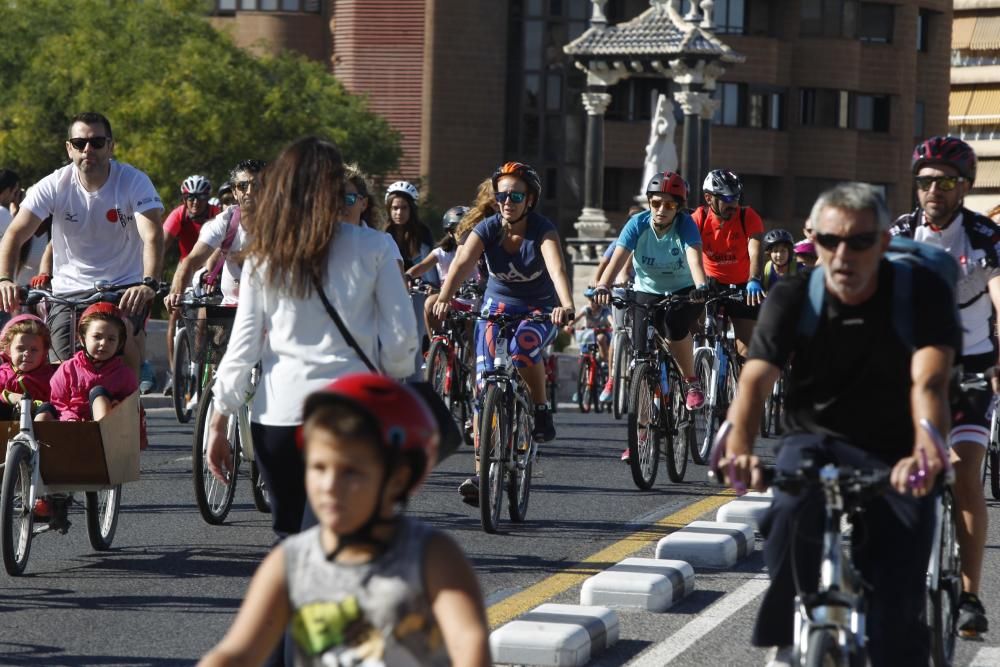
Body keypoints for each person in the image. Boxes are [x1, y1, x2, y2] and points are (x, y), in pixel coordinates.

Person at [718, 182, 957, 667]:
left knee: (896, 607)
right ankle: (793, 633)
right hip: (815, 438)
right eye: (830, 242)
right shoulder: (792, 294)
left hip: (898, 446)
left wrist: (926, 447)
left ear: (884, 244)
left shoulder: (919, 292)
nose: (843, 255)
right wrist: (739, 443)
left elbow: (928, 382)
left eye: (859, 242)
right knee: (786, 511)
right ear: (816, 243)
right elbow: (754, 381)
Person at [206, 137, 417, 543]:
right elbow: (401, 337)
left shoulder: (265, 256)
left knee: (294, 537)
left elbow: (244, 346)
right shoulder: (374, 247)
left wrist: (220, 417)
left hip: (281, 415)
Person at [198, 374, 490, 667]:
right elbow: (237, 652)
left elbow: (469, 641)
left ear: (398, 477)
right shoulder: (289, 563)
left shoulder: (432, 557)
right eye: (318, 467)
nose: (330, 485)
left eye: (351, 471)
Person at [889, 135, 997, 637]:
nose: (933, 189)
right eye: (925, 180)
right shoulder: (902, 233)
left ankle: (970, 596)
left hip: (972, 366)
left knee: (965, 472)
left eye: (945, 181)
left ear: (964, 187)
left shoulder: (984, 237)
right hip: (914, 367)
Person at [433, 161, 574, 504]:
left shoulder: (542, 230)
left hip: (538, 310)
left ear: (530, 200)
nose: (507, 201)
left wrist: (565, 305)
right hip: (495, 310)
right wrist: (443, 296)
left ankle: (540, 409)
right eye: (502, 195)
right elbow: (463, 262)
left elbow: (556, 269)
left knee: (524, 351)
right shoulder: (488, 228)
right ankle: (483, 475)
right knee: (483, 390)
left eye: (516, 195)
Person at [0, 112, 164, 376]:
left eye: (97, 143)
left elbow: (153, 234)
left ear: (111, 146)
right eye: (79, 143)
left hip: (122, 287)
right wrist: (5, 279)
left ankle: (130, 406)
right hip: (67, 291)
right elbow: (15, 234)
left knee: (122, 354)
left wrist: (148, 283)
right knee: (58, 366)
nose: (88, 149)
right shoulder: (55, 184)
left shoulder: (134, 181)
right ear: (69, 148)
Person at [594, 171, 709, 459]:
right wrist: (602, 285)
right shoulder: (637, 224)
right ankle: (642, 434)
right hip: (647, 291)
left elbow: (695, 258)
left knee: (673, 327)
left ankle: (690, 381)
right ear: (649, 202)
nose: (661, 210)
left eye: (669, 205)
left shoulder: (685, 226)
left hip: (684, 290)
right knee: (641, 360)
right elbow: (617, 257)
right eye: (656, 203)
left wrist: (701, 286)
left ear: (679, 208)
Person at [165, 160, 265, 310]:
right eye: (242, 186)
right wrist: (176, 293)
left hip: (268, 307)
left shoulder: (282, 223)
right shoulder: (226, 221)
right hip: (231, 307)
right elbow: (191, 260)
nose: (249, 191)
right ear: (234, 192)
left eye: (256, 185)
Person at [692, 169, 765, 357]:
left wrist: (754, 279)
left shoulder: (747, 216)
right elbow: (688, 254)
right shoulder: (698, 219)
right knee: (692, 329)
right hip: (708, 284)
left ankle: (742, 385)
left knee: (746, 350)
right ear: (709, 198)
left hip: (743, 285)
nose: (733, 204)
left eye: (736, 198)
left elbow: (755, 252)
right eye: (726, 199)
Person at [162, 175, 222, 389]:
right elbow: (161, 245)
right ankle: (173, 374)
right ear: (184, 199)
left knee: (204, 317)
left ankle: (202, 369)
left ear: (208, 199)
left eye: (200, 198)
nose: (195, 202)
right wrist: (150, 277)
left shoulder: (217, 215)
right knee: (174, 314)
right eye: (190, 198)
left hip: (210, 271)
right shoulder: (179, 215)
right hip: (185, 270)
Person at [41, 301, 138, 423]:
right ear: (82, 339)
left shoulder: (124, 375)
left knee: (99, 395)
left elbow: (132, 409)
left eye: (111, 339)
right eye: (97, 337)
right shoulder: (68, 369)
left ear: (119, 343)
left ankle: (100, 432)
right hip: (71, 427)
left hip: (108, 432)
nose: (103, 343)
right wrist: (70, 418)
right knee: (43, 413)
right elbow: (58, 403)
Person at [406, 206, 472, 334]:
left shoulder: (477, 251)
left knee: (471, 325)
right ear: (450, 232)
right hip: (448, 297)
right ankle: (436, 344)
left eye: (468, 230)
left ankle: (471, 353)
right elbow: (422, 266)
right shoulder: (442, 252)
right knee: (430, 303)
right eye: (459, 230)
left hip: (472, 300)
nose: (464, 234)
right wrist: (408, 276)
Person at [0, 314, 55, 419]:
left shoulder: (50, 377)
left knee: (47, 408)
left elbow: (57, 400)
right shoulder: (3, 374)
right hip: (6, 424)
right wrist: (9, 396)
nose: (27, 354)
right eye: (20, 348)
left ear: (44, 352)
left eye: (34, 350)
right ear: (8, 349)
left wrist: (35, 404)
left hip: (36, 422)